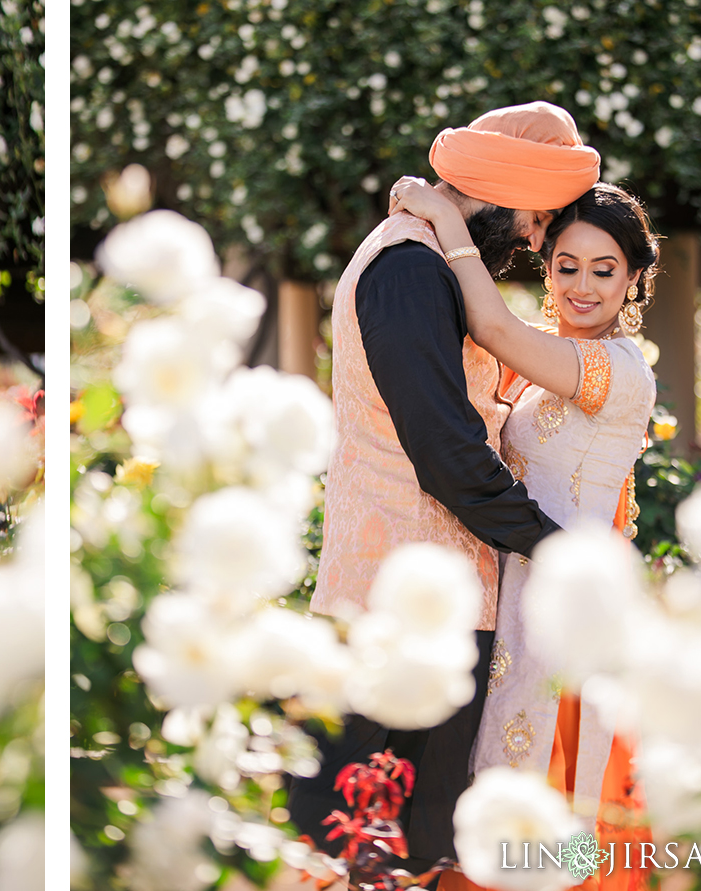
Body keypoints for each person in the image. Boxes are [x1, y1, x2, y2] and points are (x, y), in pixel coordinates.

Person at [285, 101, 599, 875]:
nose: (533, 238)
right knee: (352, 846)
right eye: (534, 216)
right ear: (498, 189)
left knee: (410, 852)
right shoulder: (409, 266)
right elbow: (446, 452)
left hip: (430, 599)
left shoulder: (427, 253)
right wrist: (558, 552)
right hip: (399, 602)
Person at [391, 177, 659, 891]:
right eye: (566, 265)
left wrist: (448, 217)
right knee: (491, 794)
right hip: (515, 596)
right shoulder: (548, 363)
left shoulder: (622, 372)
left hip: (569, 617)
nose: (582, 286)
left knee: (551, 806)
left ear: (633, 276)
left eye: (605, 270)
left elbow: (494, 328)